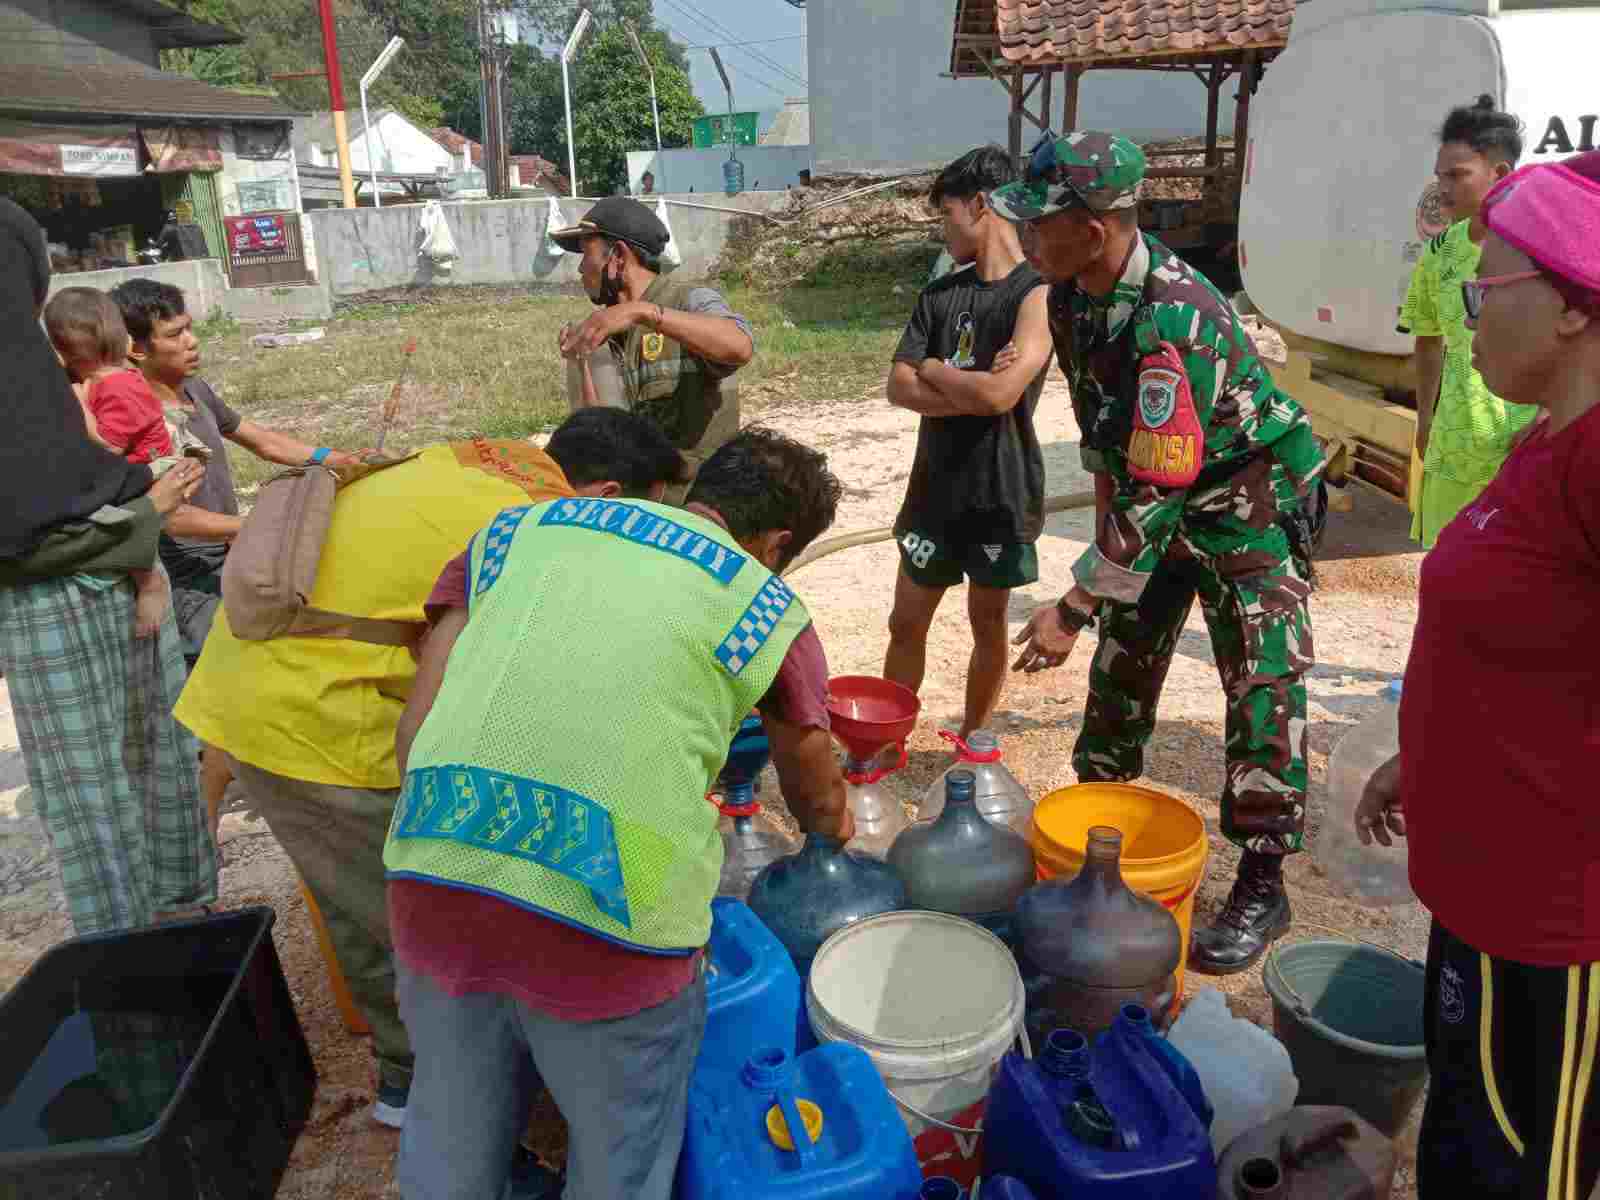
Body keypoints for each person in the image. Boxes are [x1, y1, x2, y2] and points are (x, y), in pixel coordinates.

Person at [173, 410, 685, 1133]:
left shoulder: (473, 460)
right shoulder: (537, 529)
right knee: (428, 921)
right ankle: (460, 1115)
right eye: (640, 520)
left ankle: (406, 1080)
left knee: (360, 900)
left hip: (250, 689)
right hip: (318, 716)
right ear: (603, 495)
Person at [384, 428, 850, 1200]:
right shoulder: (764, 603)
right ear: (778, 543)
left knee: (452, 1127)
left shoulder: (518, 529)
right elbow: (815, 787)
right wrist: (833, 832)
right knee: (618, 1159)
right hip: (609, 923)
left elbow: (416, 729)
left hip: (434, 872)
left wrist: (481, 841)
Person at [992, 133, 1326, 975]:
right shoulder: (1071, 297)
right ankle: (1099, 840)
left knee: (1262, 679)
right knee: (1123, 665)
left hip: (1245, 500)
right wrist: (1111, 575)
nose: (1026, 238)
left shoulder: (1175, 317)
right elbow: (1108, 439)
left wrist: (1076, 601)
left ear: (1093, 229)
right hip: (1158, 494)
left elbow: (1159, 486)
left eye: (1040, 223)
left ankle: (1263, 883)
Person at [1355, 149, 1600, 1200]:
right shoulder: (1544, 445)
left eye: (1483, 290)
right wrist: (1427, 756)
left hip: (1555, 926)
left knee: (1523, 1172)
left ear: (1572, 306)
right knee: (1463, 1151)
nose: (1467, 317)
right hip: (1483, 894)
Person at [0, 199, 215, 936]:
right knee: (108, 789)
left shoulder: (42, 382)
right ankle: (140, 955)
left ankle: (167, 937)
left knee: (143, 768)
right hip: (60, 599)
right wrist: (143, 517)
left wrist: (138, 522)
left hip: (111, 584)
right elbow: (27, 526)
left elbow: (77, 477)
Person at [882, 146, 1053, 741]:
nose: (943, 228)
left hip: (998, 492)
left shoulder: (1036, 296)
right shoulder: (938, 296)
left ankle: (975, 743)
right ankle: (889, 742)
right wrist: (975, 387)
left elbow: (1001, 396)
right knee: (905, 622)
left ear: (979, 205)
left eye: (946, 214)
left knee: (988, 626)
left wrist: (935, 369)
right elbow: (898, 386)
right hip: (933, 490)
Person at [109, 279, 364, 663]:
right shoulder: (134, 417)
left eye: (189, 328)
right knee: (237, 665)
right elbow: (168, 515)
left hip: (232, 556)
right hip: (187, 581)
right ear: (136, 349)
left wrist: (338, 459)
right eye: (175, 335)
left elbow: (263, 441)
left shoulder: (193, 389)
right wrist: (253, 527)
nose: (192, 341)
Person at [1399, 96, 1541, 548]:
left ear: (1500, 174)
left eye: (1456, 175)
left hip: (1524, 452)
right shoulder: (1438, 252)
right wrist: (1425, 420)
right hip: (1452, 452)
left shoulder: (1541, 250)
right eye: (1440, 175)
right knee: (1447, 568)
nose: (1442, 188)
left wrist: (1546, 420)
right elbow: (1427, 339)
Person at [554, 197, 754, 502]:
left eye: (586, 254)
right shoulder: (606, 328)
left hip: (700, 504)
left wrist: (644, 312)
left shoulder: (688, 300)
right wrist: (581, 363)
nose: (581, 269)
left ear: (618, 256)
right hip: (643, 506)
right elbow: (600, 438)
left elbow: (739, 346)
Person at [43, 287, 184, 640]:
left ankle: (148, 582)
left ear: (62, 351)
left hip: (152, 467)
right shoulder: (106, 378)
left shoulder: (117, 386)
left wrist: (80, 406)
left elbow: (111, 446)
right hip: (140, 464)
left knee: (118, 516)